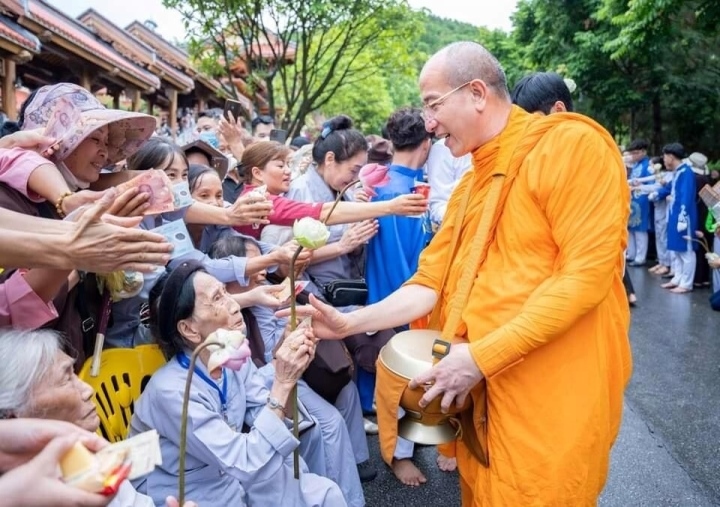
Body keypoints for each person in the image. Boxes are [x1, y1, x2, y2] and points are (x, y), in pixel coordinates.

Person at [282, 41, 631, 506]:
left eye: (433, 104)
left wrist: (482, 357)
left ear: (477, 93)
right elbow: (430, 282)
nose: (427, 123)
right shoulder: (471, 184)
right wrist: (351, 323)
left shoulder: (569, 147)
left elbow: (583, 277)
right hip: (477, 391)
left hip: (547, 392)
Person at [129, 261, 346, 506]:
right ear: (189, 329)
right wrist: (283, 382)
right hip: (186, 490)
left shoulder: (230, 355)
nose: (234, 305)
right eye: (218, 298)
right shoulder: (172, 391)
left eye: (226, 292)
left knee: (325, 494)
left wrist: (286, 363)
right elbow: (243, 459)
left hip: (229, 471)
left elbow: (261, 408)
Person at [0, 329, 196, 507]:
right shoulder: (27, 493)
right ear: (15, 413)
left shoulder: (85, 450)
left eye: (74, 374)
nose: (88, 390)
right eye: (66, 379)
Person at [364, 107, 433, 486]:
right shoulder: (392, 191)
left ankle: (411, 442)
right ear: (427, 144)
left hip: (409, 294)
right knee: (402, 381)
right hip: (401, 296)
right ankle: (397, 455)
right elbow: (393, 258)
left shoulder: (403, 184)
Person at [658, 143, 697, 293]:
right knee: (677, 249)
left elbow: (686, 197)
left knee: (686, 251)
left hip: (683, 216)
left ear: (671, 157)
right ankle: (678, 278)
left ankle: (686, 283)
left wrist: (682, 216)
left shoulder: (686, 173)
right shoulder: (678, 172)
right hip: (674, 213)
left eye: (665, 156)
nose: (664, 160)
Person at [625, 139, 652, 266]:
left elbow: (652, 183)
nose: (633, 156)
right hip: (632, 198)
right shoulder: (635, 165)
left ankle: (640, 257)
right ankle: (631, 253)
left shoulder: (649, 166)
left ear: (643, 152)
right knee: (631, 228)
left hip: (642, 199)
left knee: (640, 229)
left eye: (635, 153)